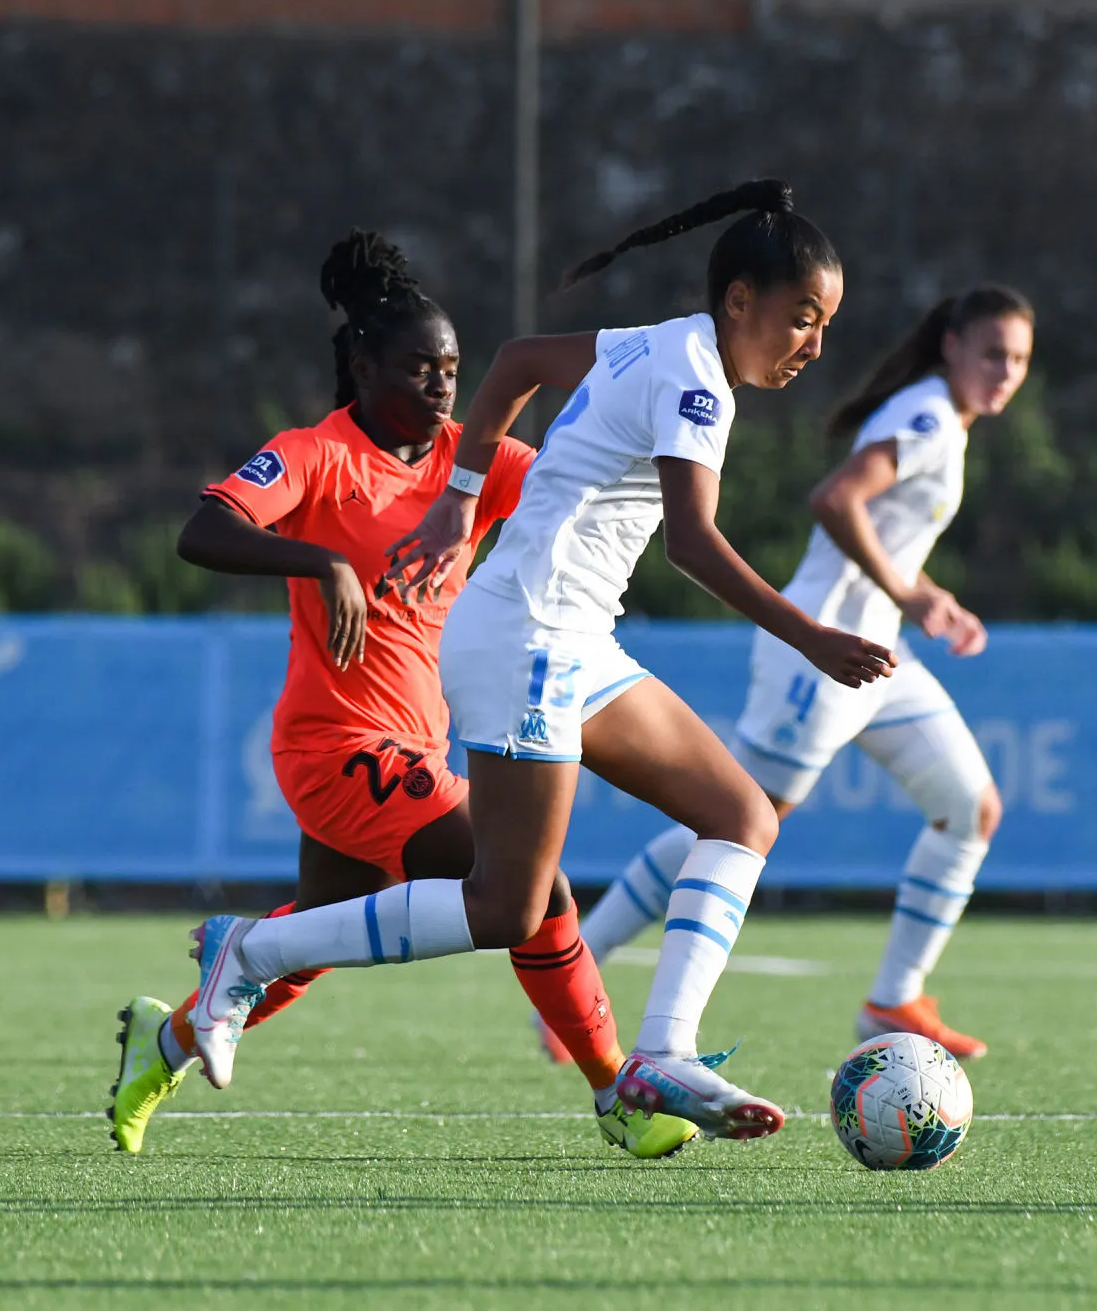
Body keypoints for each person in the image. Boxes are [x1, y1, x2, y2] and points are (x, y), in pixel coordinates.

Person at [183, 180, 893, 1140]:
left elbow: (515, 361)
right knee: (510, 906)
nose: (812, 344)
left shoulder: (659, 340)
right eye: (802, 318)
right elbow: (692, 542)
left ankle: (662, 1052)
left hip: (567, 637)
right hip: (528, 639)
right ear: (739, 301)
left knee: (740, 816)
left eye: (825, 324)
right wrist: (811, 636)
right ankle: (253, 951)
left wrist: (459, 499)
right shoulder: (696, 381)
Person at [107, 230, 696, 1160]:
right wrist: (323, 558)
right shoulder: (316, 455)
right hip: (336, 749)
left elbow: (566, 492)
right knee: (531, 893)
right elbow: (202, 531)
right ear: (362, 365)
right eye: (418, 367)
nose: (440, 386)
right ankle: (615, 1087)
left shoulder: (471, 459)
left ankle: (165, 1040)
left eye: (453, 368)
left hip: (416, 748)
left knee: (309, 945)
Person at [572, 288, 1032, 1060]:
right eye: (993, 353)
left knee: (970, 806)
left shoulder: (943, 420)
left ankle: (893, 1000)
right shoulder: (925, 416)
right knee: (732, 821)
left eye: (1018, 358)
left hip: (878, 655)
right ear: (951, 346)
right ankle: (579, 970)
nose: (1006, 371)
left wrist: (924, 598)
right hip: (819, 655)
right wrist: (911, 590)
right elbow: (836, 498)